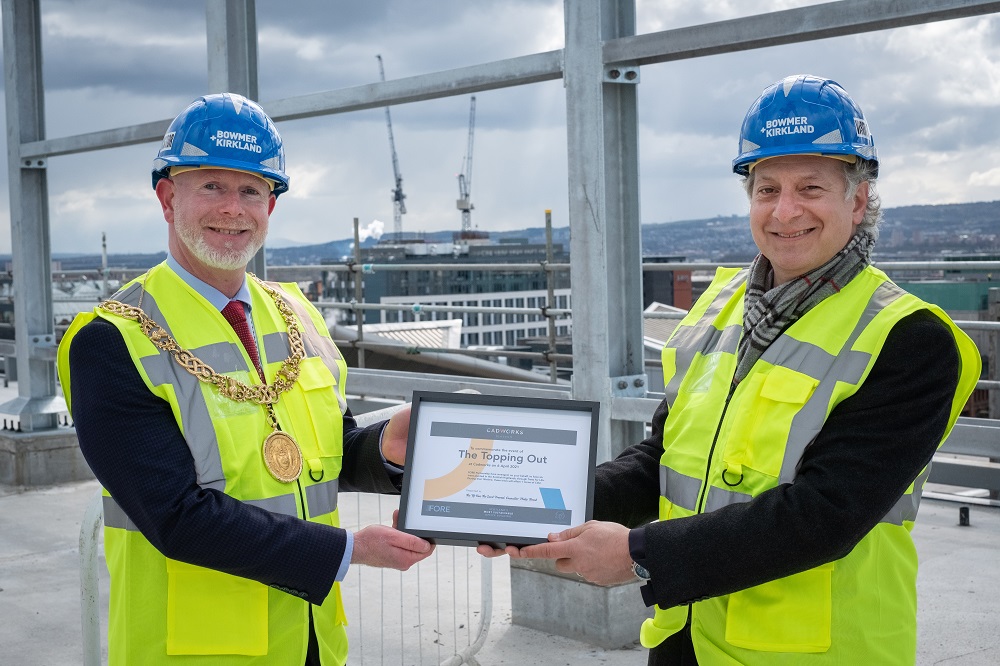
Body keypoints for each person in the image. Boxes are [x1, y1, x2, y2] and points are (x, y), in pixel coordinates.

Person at [480, 75, 982, 664]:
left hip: (817, 654)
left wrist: (640, 554)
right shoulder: (721, 308)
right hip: (686, 639)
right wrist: (543, 503)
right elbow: (663, 457)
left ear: (859, 198)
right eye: (766, 188)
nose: (784, 210)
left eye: (811, 187)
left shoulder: (908, 337)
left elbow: (825, 514)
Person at [56, 92, 434, 665]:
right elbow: (175, 515)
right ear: (167, 196)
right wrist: (348, 550)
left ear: (271, 206)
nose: (233, 208)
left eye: (252, 190)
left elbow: (316, 458)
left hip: (309, 640)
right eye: (211, 185)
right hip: (192, 650)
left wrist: (386, 446)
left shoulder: (297, 313)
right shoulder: (112, 340)